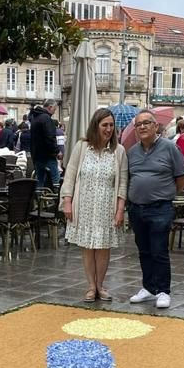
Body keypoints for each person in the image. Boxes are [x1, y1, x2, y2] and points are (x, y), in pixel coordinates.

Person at [61, 108, 129, 302]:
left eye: (111, 125)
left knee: (103, 247)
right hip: (84, 205)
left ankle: (101, 285)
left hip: (107, 206)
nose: (108, 129)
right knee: (87, 247)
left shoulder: (119, 151)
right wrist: (67, 201)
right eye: (104, 125)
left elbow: (123, 182)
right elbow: (70, 175)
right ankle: (91, 286)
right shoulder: (82, 147)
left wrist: (120, 209)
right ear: (96, 126)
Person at [126, 110, 184, 309]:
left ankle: (163, 290)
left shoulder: (170, 148)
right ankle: (148, 287)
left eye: (146, 123)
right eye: (139, 124)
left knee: (159, 250)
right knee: (143, 250)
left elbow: (182, 178)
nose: (142, 127)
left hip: (160, 207)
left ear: (156, 126)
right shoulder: (132, 152)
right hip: (137, 208)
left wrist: (166, 193)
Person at [29, 100, 60, 187]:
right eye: (54, 109)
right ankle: (56, 198)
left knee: (40, 179)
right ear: (50, 107)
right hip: (47, 155)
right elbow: (50, 137)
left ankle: (39, 198)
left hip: (37, 154)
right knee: (55, 178)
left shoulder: (35, 118)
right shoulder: (46, 118)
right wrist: (57, 151)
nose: (54, 111)